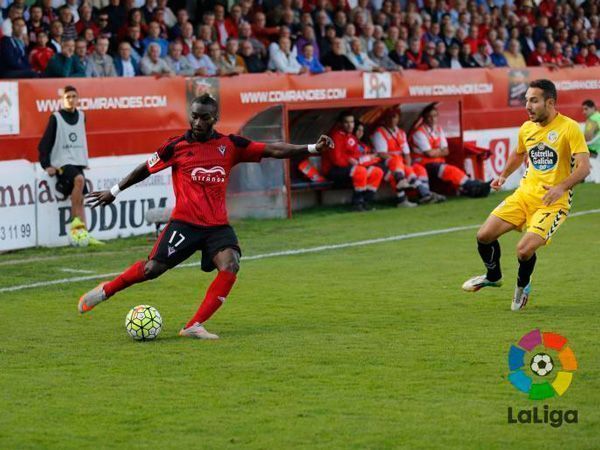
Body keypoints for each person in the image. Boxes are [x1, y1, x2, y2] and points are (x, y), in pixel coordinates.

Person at [78, 94, 334, 339]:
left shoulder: (231, 145)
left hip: (217, 226)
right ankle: (106, 290)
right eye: (195, 117)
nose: (198, 122)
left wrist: (311, 147)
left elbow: (273, 150)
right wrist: (114, 191)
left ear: (215, 118)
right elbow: (144, 169)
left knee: (231, 264)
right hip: (185, 223)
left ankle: (194, 325)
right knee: (152, 269)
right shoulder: (175, 147)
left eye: (205, 118)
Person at [462, 79, 590, 311]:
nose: (527, 106)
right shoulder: (527, 128)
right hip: (524, 195)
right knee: (484, 235)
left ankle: (522, 287)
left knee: (524, 250)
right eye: (526, 100)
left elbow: (584, 168)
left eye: (534, 100)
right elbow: (518, 154)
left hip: (553, 203)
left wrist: (561, 187)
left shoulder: (569, 128)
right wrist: (503, 176)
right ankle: (493, 276)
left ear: (550, 102)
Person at [38, 86, 102, 245]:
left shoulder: (81, 115)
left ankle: (84, 234)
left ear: (78, 98)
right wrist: (46, 165)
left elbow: (80, 138)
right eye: (68, 97)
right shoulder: (56, 117)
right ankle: (74, 222)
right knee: (79, 180)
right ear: (62, 100)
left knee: (81, 198)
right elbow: (44, 143)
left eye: (74, 96)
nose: (71, 99)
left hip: (77, 161)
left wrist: (83, 159)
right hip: (62, 161)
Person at [410, 104, 490, 198]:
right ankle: (473, 186)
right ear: (424, 118)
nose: (432, 119)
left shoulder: (438, 129)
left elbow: (446, 151)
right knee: (448, 170)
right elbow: (429, 153)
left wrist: (436, 152)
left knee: (451, 170)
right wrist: (439, 151)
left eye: (435, 116)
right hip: (423, 165)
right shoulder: (419, 132)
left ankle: (471, 188)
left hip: (437, 163)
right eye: (429, 116)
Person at [371, 108, 441, 207]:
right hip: (386, 163)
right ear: (385, 118)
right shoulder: (379, 132)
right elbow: (382, 154)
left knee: (419, 169)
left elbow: (407, 153)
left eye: (394, 117)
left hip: (400, 164)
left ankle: (424, 194)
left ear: (398, 118)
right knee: (399, 165)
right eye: (389, 117)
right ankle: (421, 195)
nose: (392, 120)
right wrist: (402, 164)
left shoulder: (401, 132)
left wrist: (407, 164)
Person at [322, 112, 384, 211]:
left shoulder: (351, 137)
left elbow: (357, 156)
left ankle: (366, 201)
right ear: (340, 124)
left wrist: (366, 159)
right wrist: (351, 161)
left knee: (377, 172)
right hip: (334, 170)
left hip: (348, 168)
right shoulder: (335, 137)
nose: (350, 125)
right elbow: (337, 160)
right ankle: (357, 203)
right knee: (360, 171)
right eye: (346, 122)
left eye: (352, 122)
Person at [582, 99, 600, 183]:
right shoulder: (598, 117)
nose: (584, 112)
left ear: (593, 108)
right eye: (583, 109)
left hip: (593, 151)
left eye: (586, 109)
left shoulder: (592, 120)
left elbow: (588, 137)